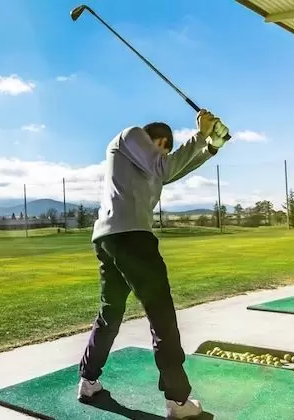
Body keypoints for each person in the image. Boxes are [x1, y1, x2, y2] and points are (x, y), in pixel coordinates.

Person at [77, 110, 229, 419]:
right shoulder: (132, 135)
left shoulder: (146, 164)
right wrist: (200, 133)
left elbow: (173, 170)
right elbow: (166, 165)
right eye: (166, 148)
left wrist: (212, 147)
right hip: (132, 238)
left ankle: (88, 381)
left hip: (110, 240)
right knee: (161, 315)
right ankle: (177, 400)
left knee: (110, 312)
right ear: (158, 141)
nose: (166, 155)